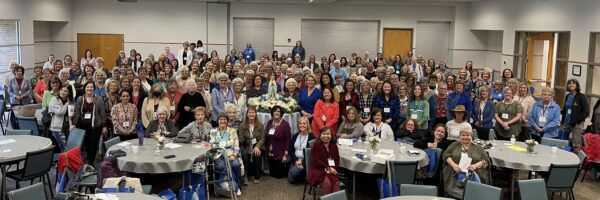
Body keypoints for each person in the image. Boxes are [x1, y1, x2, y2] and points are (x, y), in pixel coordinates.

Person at [443, 127, 490, 198]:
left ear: (471, 136)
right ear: (460, 136)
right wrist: (453, 165)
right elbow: (446, 155)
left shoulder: (478, 147)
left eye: (468, 135)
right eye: (463, 135)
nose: (465, 137)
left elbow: (486, 160)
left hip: (474, 173)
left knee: (473, 195)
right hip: (454, 172)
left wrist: (476, 165)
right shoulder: (454, 145)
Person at [72, 82, 107, 165]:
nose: (89, 89)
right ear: (85, 88)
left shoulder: (99, 99)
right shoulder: (80, 99)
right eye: (88, 87)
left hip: (96, 127)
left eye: (91, 87)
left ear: (94, 89)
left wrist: (104, 125)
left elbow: (102, 113)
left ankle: (91, 164)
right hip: (83, 127)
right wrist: (74, 124)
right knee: (86, 146)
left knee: (93, 146)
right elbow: (77, 112)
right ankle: (87, 162)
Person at [209, 113, 242, 196]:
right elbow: (212, 144)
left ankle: (237, 187)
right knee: (220, 167)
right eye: (221, 119)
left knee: (236, 165)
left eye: (224, 119)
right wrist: (228, 143)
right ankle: (220, 187)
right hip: (218, 154)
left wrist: (234, 155)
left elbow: (236, 145)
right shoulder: (213, 131)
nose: (222, 121)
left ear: (227, 121)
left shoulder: (232, 131)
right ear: (218, 121)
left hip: (231, 154)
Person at [307, 127, 340, 195]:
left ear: (331, 135)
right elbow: (316, 161)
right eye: (324, 134)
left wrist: (333, 169)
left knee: (336, 184)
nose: (326, 136)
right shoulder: (316, 146)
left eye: (328, 134)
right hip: (318, 170)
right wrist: (328, 167)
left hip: (331, 170)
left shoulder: (334, 146)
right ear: (320, 135)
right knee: (327, 184)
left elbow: (337, 160)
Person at [238, 106, 265, 184]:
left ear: (256, 114)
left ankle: (257, 175)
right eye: (249, 112)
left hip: (257, 145)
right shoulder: (242, 125)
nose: (251, 114)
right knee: (244, 153)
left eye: (253, 112)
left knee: (257, 153)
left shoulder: (260, 125)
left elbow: (263, 138)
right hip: (246, 144)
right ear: (247, 114)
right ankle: (245, 175)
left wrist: (257, 146)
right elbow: (241, 138)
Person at [562, 79, 589, 152]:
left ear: (577, 85)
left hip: (577, 124)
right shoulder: (567, 96)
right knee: (564, 143)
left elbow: (586, 112)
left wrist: (578, 120)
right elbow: (565, 109)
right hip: (566, 123)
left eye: (573, 83)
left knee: (575, 146)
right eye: (569, 83)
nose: (571, 85)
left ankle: (576, 162)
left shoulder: (581, 96)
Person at [264, 106, 292, 179]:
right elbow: (267, 136)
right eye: (275, 111)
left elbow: (288, 140)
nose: (276, 113)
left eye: (278, 111)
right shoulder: (270, 122)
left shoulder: (285, 125)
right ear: (272, 113)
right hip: (270, 152)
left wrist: (285, 154)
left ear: (281, 113)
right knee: (272, 174)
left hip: (280, 153)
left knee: (278, 176)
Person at [288, 116, 315, 183]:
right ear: (298, 125)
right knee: (291, 179)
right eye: (300, 123)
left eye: (304, 123)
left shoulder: (311, 137)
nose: (302, 125)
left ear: (307, 125)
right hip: (296, 159)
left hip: (305, 160)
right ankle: (304, 175)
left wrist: (302, 163)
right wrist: (296, 161)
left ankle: (306, 174)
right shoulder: (295, 135)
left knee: (294, 173)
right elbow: (290, 150)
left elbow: (312, 154)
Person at [48, 86, 73, 151]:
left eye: (65, 91)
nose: (62, 92)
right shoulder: (54, 99)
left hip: (67, 125)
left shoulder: (70, 100)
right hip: (57, 127)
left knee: (69, 145)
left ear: (69, 93)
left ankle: (67, 159)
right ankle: (65, 160)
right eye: (61, 90)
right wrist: (67, 104)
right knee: (64, 146)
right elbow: (60, 112)